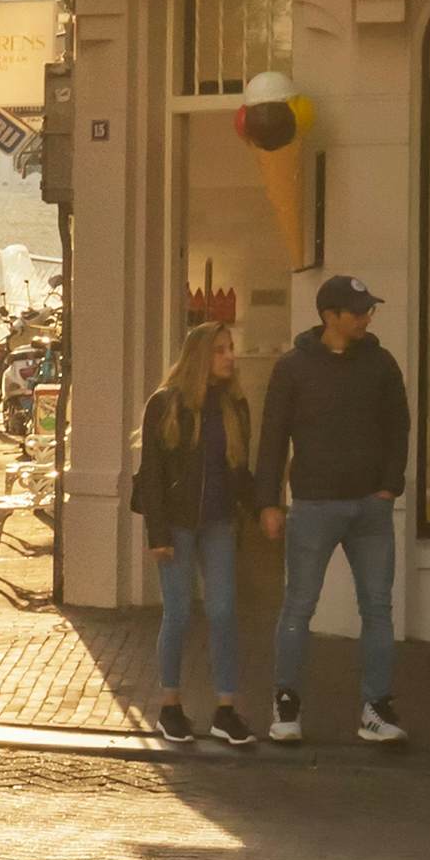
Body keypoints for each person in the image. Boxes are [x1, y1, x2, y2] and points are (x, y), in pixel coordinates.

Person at [254, 272, 414, 748]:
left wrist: (388, 486)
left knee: (379, 610)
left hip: (370, 507)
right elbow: (273, 437)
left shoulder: (381, 365)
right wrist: (268, 502)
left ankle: (376, 708)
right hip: (314, 505)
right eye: (358, 311)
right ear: (330, 317)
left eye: (369, 310)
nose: (366, 318)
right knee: (299, 606)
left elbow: (398, 428)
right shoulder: (293, 368)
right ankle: (286, 702)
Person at [125, 310, 262, 748]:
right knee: (179, 614)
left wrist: (262, 510)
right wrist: (158, 535)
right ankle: (170, 705)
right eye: (221, 350)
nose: (230, 357)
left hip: (218, 522)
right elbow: (151, 474)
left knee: (223, 612)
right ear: (201, 356)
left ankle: (225, 709)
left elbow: (240, 470)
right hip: (179, 526)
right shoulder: (165, 404)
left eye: (231, 349)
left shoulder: (234, 405)